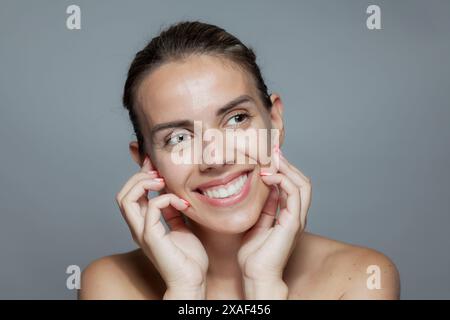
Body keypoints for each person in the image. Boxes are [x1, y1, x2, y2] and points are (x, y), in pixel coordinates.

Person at [78, 20, 400, 300]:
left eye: (236, 119)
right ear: (146, 161)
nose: (216, 158)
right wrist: (185, 291)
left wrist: (263, 285)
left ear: (274, 121)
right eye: (178, 138)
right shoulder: (109, 285)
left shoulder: (362, 278)